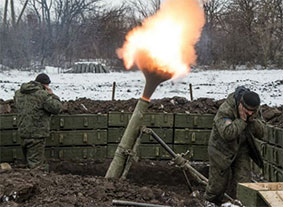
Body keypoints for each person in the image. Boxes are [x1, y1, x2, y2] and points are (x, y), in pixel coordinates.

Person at [204, 86, 264, 205]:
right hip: (220, 149)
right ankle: (210, 202)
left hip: (242, 148)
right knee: (217, 185)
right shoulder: (226, 110)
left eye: (253, 111)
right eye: (248, 111)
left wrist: (252, 121)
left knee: (244, 183)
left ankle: (241, 203)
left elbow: (261, 133)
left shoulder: (254, 111)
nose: (250, 113)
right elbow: (228, 133)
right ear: (241, 104)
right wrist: (242, 121)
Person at [14, 73, 62, 171]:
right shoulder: (43, 95)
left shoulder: (18, 93)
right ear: (45, 85)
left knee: (29, 161)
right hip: (37, 135)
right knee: (36, 166)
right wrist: (52, 94)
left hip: (23, 132)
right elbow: (56, 108)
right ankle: (36, 183)